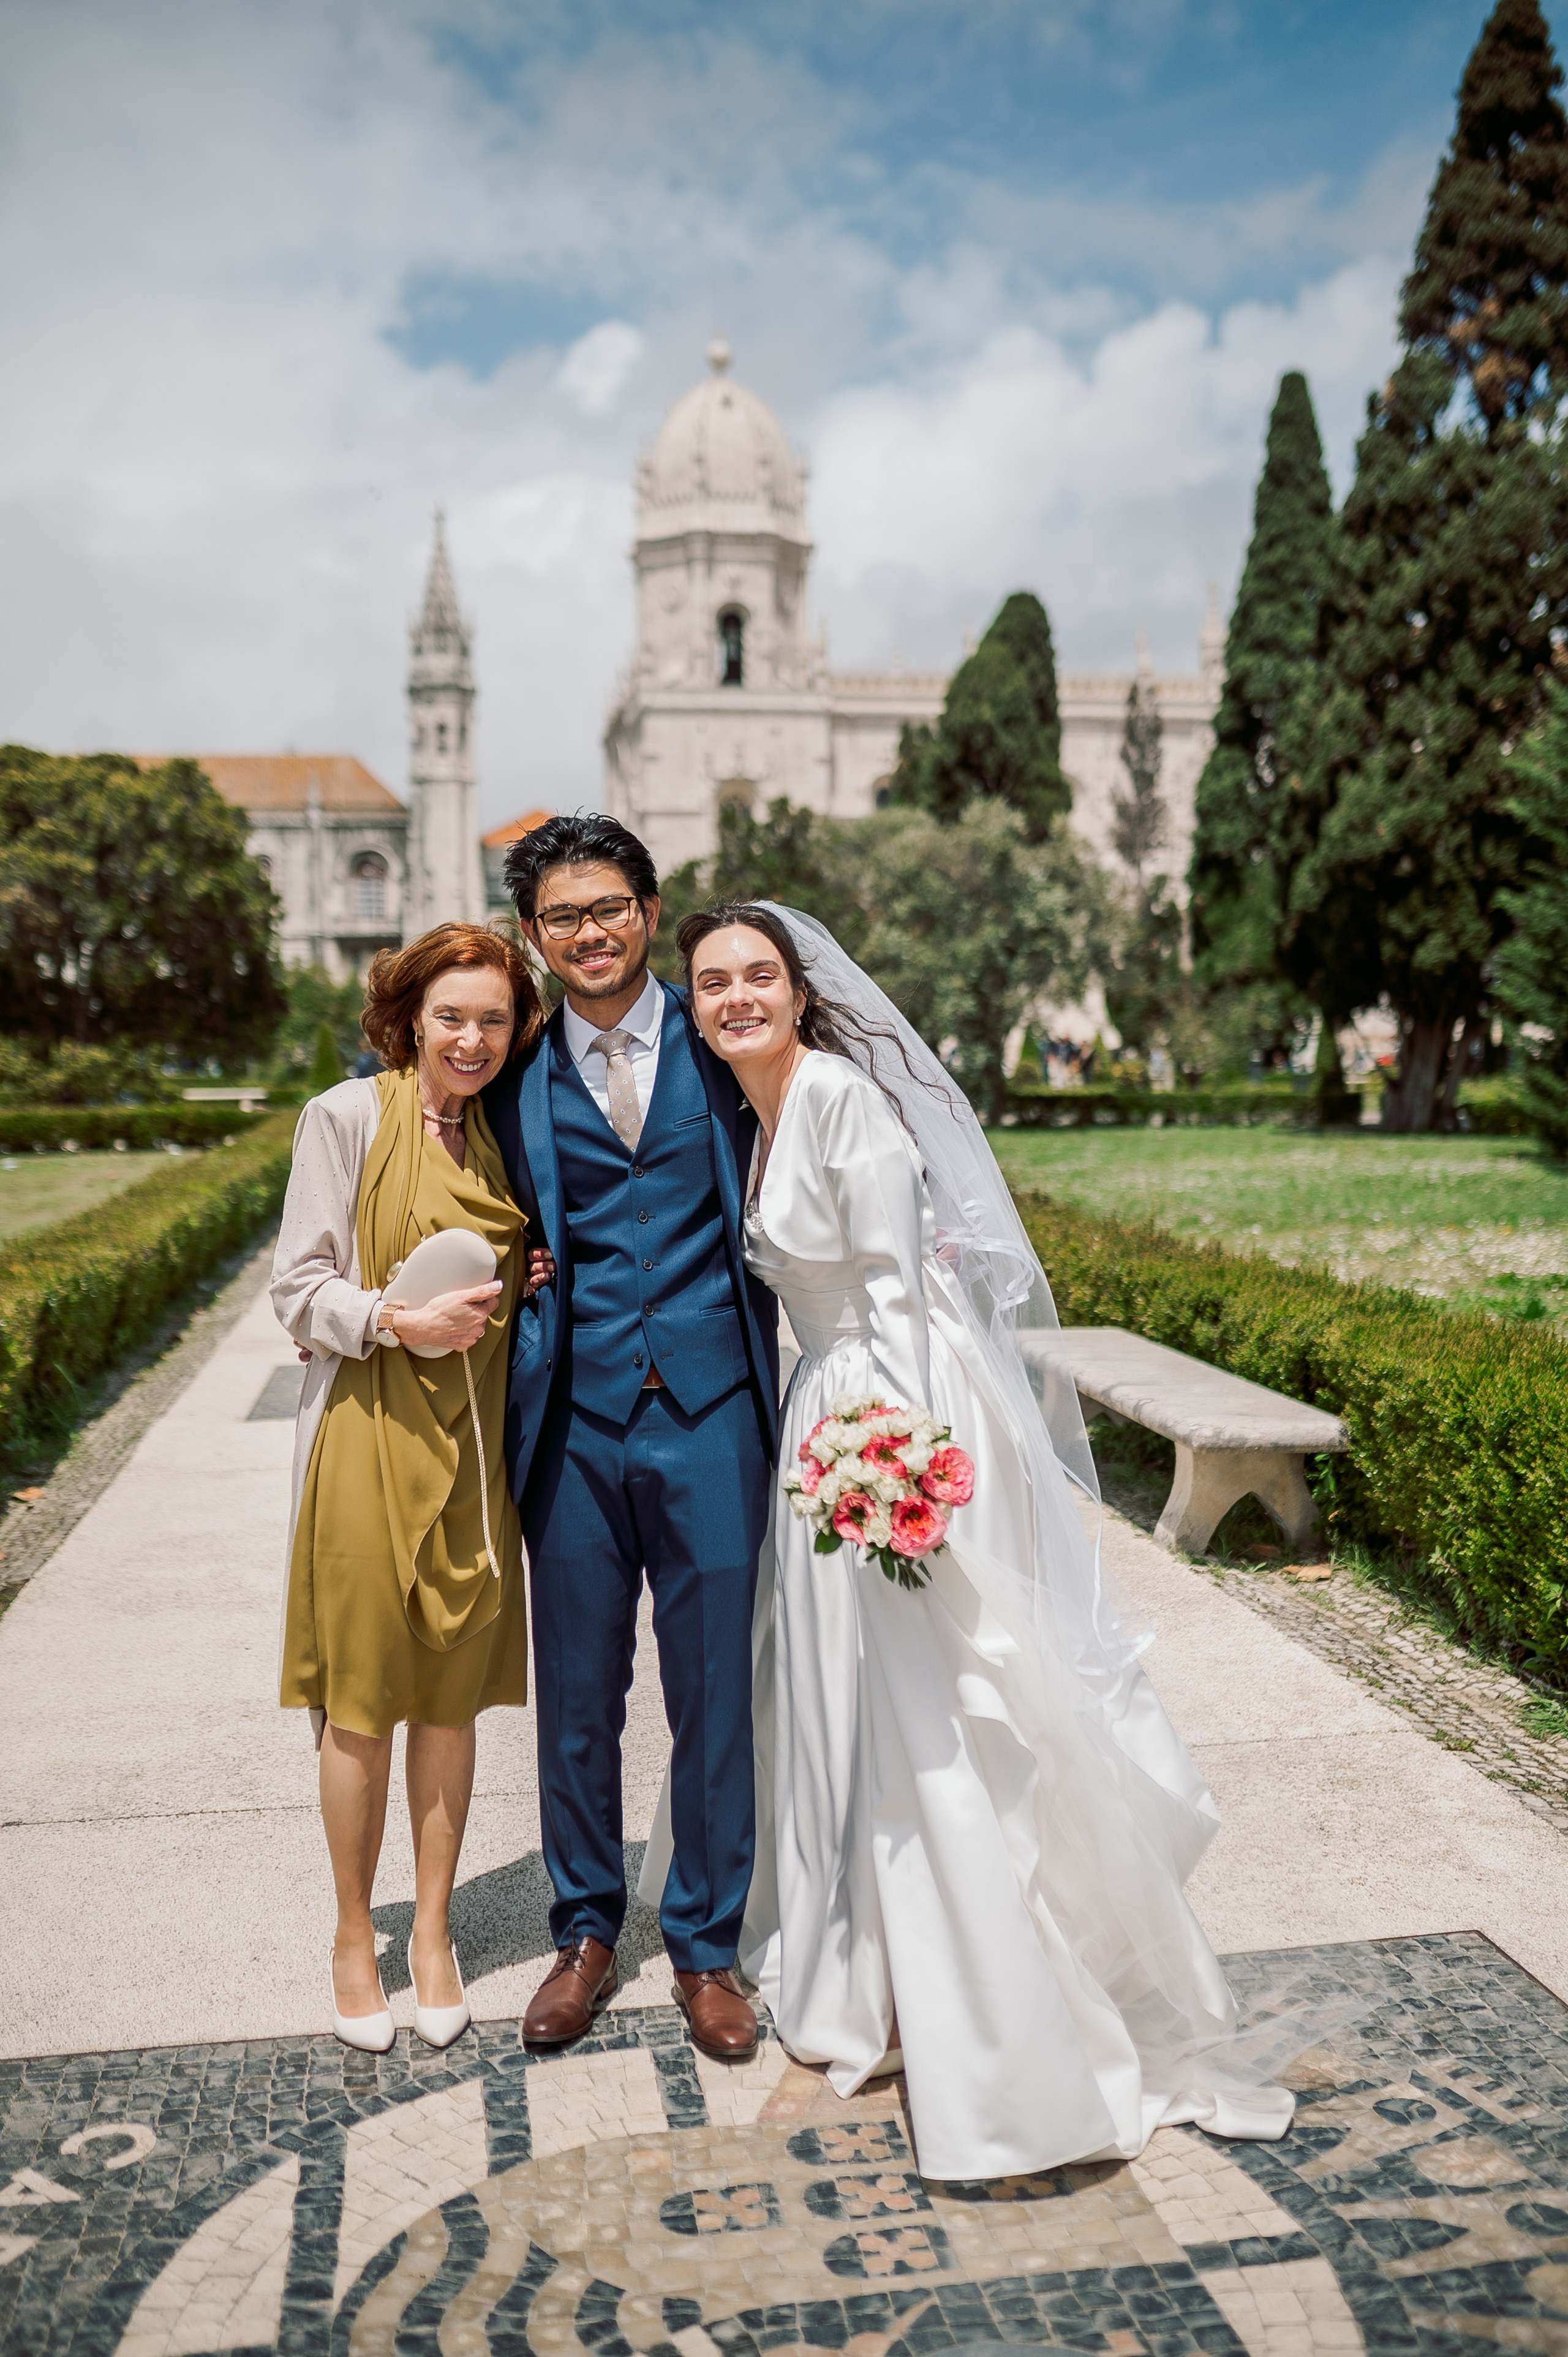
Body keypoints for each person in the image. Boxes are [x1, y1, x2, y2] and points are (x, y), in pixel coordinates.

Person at [677, 900, 1297, 2181]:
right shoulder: (763, 1110)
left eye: (757, 975)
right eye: (712, 982)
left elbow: (901, 1289)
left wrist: (904, 1468)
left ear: (800, 991)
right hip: (831, 1410)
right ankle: (882, 1961)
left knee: (934, 1705)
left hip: (891, 1417)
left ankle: (986, 2006)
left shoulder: (837, 1097)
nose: (736, 996)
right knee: (852, 1698)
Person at [483, 815, 779, 2061]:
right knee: (576, 1697)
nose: (589, 933)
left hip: (715, 1414)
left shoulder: (729, 1044)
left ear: (649, 913)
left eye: (608, 908)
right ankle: (585, 1934)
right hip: (573, 1422)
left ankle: (705, 1948)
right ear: (533, 934)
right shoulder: (512, 1077)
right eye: (562, 916)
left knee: (714, 1693)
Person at [273, 921, 551, 2055]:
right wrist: (393, 1318)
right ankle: (355, 1935)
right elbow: (298, 1288)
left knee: (448, 1701)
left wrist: (531, 1274)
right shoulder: (344, 1117)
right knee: (360, 1702)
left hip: (473, 1450)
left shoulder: (506, 1135)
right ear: (410, 1017)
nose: (472, 1039)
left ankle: (432, 1934)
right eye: (452, 1017)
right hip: (366, 1438)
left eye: (495, 1020)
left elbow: (510, 1269)